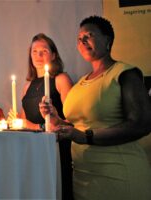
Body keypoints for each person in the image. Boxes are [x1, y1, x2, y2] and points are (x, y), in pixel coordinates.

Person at [39, 16, 151, 200]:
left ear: (107, 40)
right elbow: (80, 125)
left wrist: (85, 137)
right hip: (84, 177)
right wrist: (57, 119)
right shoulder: (82, 82)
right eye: (79, 38)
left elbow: (142, 124)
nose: (82, 41)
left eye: (88, 35)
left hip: (118, 175)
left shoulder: (124, 73)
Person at [8, 33, 74, 200]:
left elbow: (72, 121)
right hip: (31, 150)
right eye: (34, 51)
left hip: (56, 148)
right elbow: (24, 122)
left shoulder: (61, 79)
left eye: (43, 51)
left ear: (53, 55)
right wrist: (15, 121)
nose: (38, 55)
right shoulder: (27, 85)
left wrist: (31, 124)